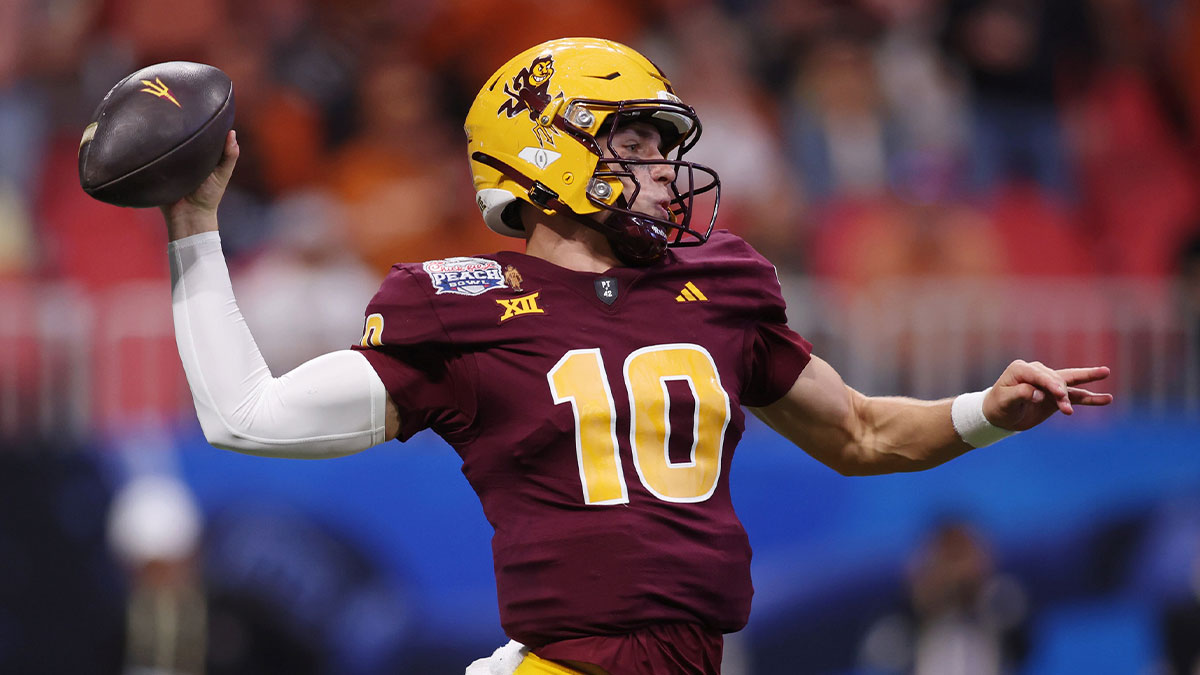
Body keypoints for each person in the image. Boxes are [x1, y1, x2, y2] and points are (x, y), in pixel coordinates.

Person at [159, 38, 1112, 675]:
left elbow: (860, 430)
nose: (662, 167)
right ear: (545, 154)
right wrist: (195, 226)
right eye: (636, 140)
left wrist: (985, 410)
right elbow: (246, 415)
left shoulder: (719, 282)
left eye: (662, 144)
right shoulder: (462, 308)